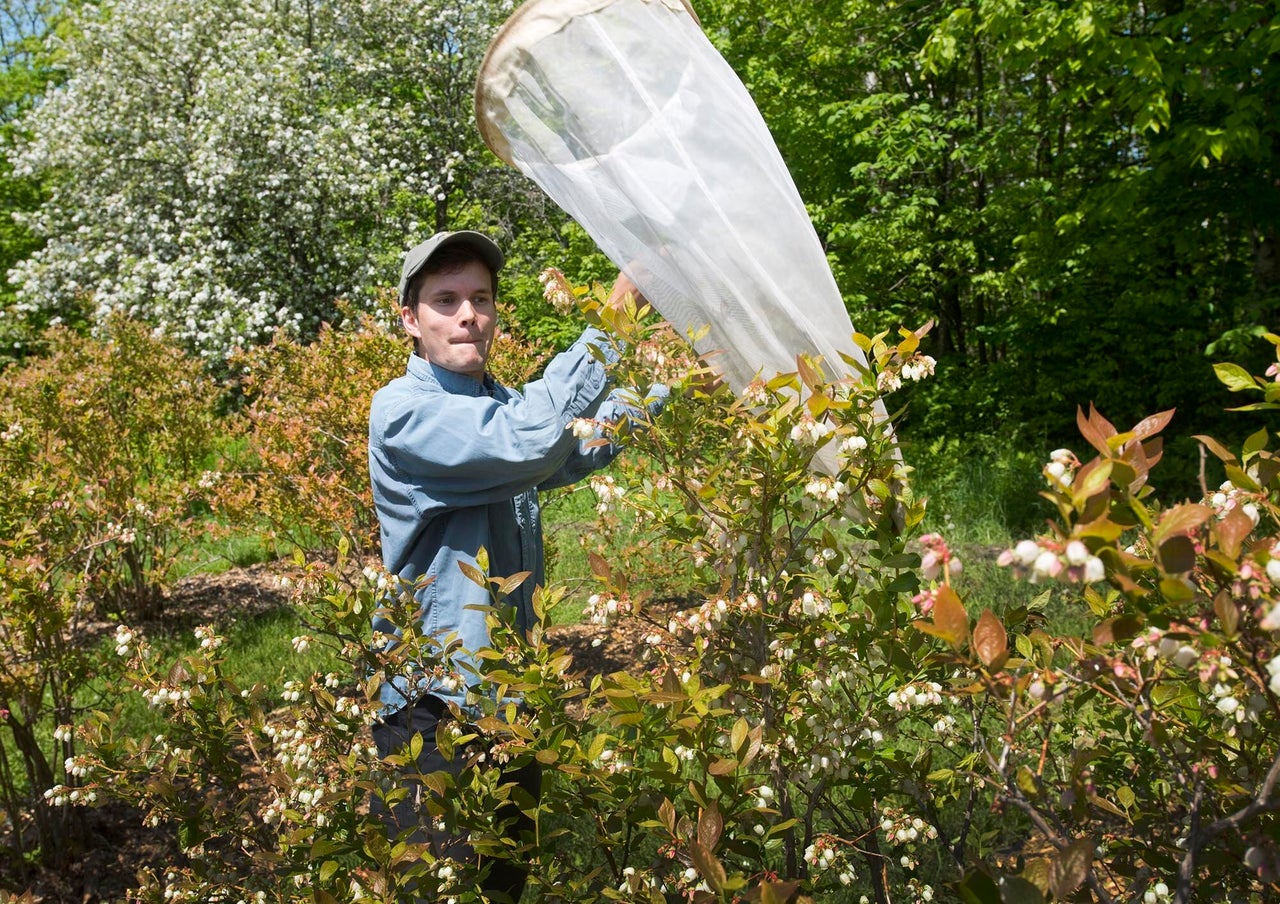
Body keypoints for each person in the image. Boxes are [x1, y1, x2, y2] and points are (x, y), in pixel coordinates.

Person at [366, 230, 664, 902]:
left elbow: (575, 447)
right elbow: (534, 438)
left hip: (509, 699)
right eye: (446, 301)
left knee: (502, 885)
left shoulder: (501, 407)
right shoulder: (404, 413)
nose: (468, 314)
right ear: (410, 320)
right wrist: (614, 321)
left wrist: (674, 385)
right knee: (444, 889)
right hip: (433, 709)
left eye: (480, 298)